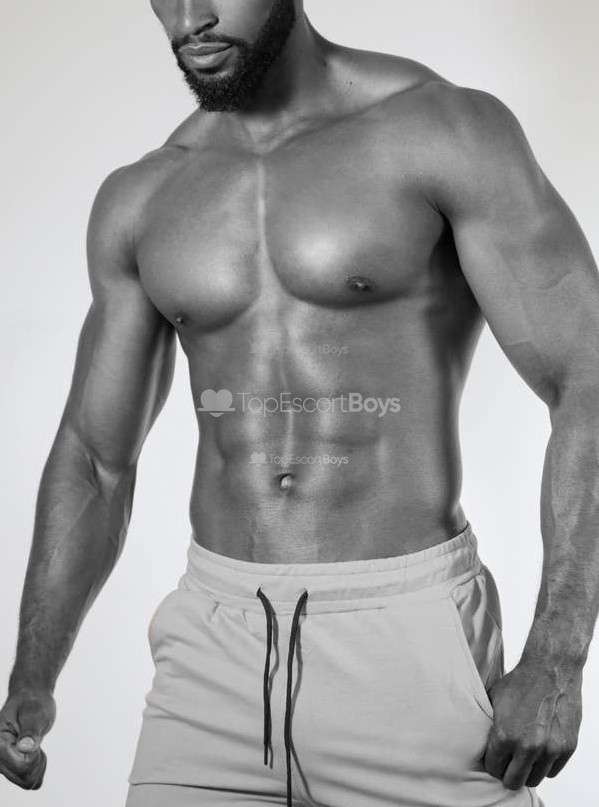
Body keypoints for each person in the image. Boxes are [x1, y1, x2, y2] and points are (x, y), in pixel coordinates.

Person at [1, 1, 598, 805]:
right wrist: (32, 677)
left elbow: (587, 375)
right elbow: (94, 457)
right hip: (212, 651)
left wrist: (557, 653)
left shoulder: (440, 132)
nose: (190, 18)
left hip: (407, 644)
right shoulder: (144, 196)